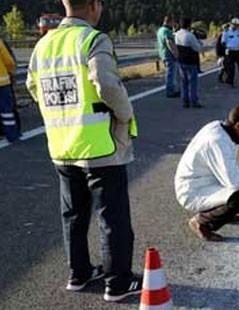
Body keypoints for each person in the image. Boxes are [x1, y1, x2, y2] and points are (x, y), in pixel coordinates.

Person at [26, 0, 140, 302]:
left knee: (73, 215)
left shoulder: (44, 44)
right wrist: (126, 114)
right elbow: (105, 83)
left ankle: (79, 274)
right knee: (112, 217)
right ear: (94, 5)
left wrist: (59, 111)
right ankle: (118, 282)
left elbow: (32, 85)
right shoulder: (92, 39)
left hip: (62, 146)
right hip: (99, 146)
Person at [174, 103, 239, 241]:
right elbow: (234, 180)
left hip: (207, 181)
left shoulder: (222, 128)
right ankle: (202, 222)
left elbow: (238, 155)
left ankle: (222, 213)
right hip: (193, 191)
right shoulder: (217, 141)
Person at [175, 18, 204, 108]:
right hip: (191, 61)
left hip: (181, 60)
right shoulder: (190, 35)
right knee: (193, 82)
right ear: (188, 25)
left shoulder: (177, 34)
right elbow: (197, 48)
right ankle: (194, 101)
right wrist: (199, 42)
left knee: (184, 82)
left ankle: (185, 101)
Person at [0, 37, 20, 142]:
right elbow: (8, 61)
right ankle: (12, 135)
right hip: (2, 82)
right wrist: (10, 71)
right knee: (7, 111)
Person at [157, 16, 180, 98]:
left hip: (163, 54)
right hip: (169, 54)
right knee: (171, 73)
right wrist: (175, 53)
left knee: (170, 73)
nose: (173, 24)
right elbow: (169, 42)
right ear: (169, 22)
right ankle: (170, 91)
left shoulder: (160, 30)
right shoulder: (166, 31)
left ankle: (172, 89)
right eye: (173, 22)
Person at [222, 18, 239, 88]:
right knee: (231, 68)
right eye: (235, 25)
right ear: (232, 24)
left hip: (238, 50)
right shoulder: (226, 32)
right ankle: (230, 82)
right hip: (230, 51)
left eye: (238, 25)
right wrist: (226, 49)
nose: (237, 26)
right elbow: (223, 42)